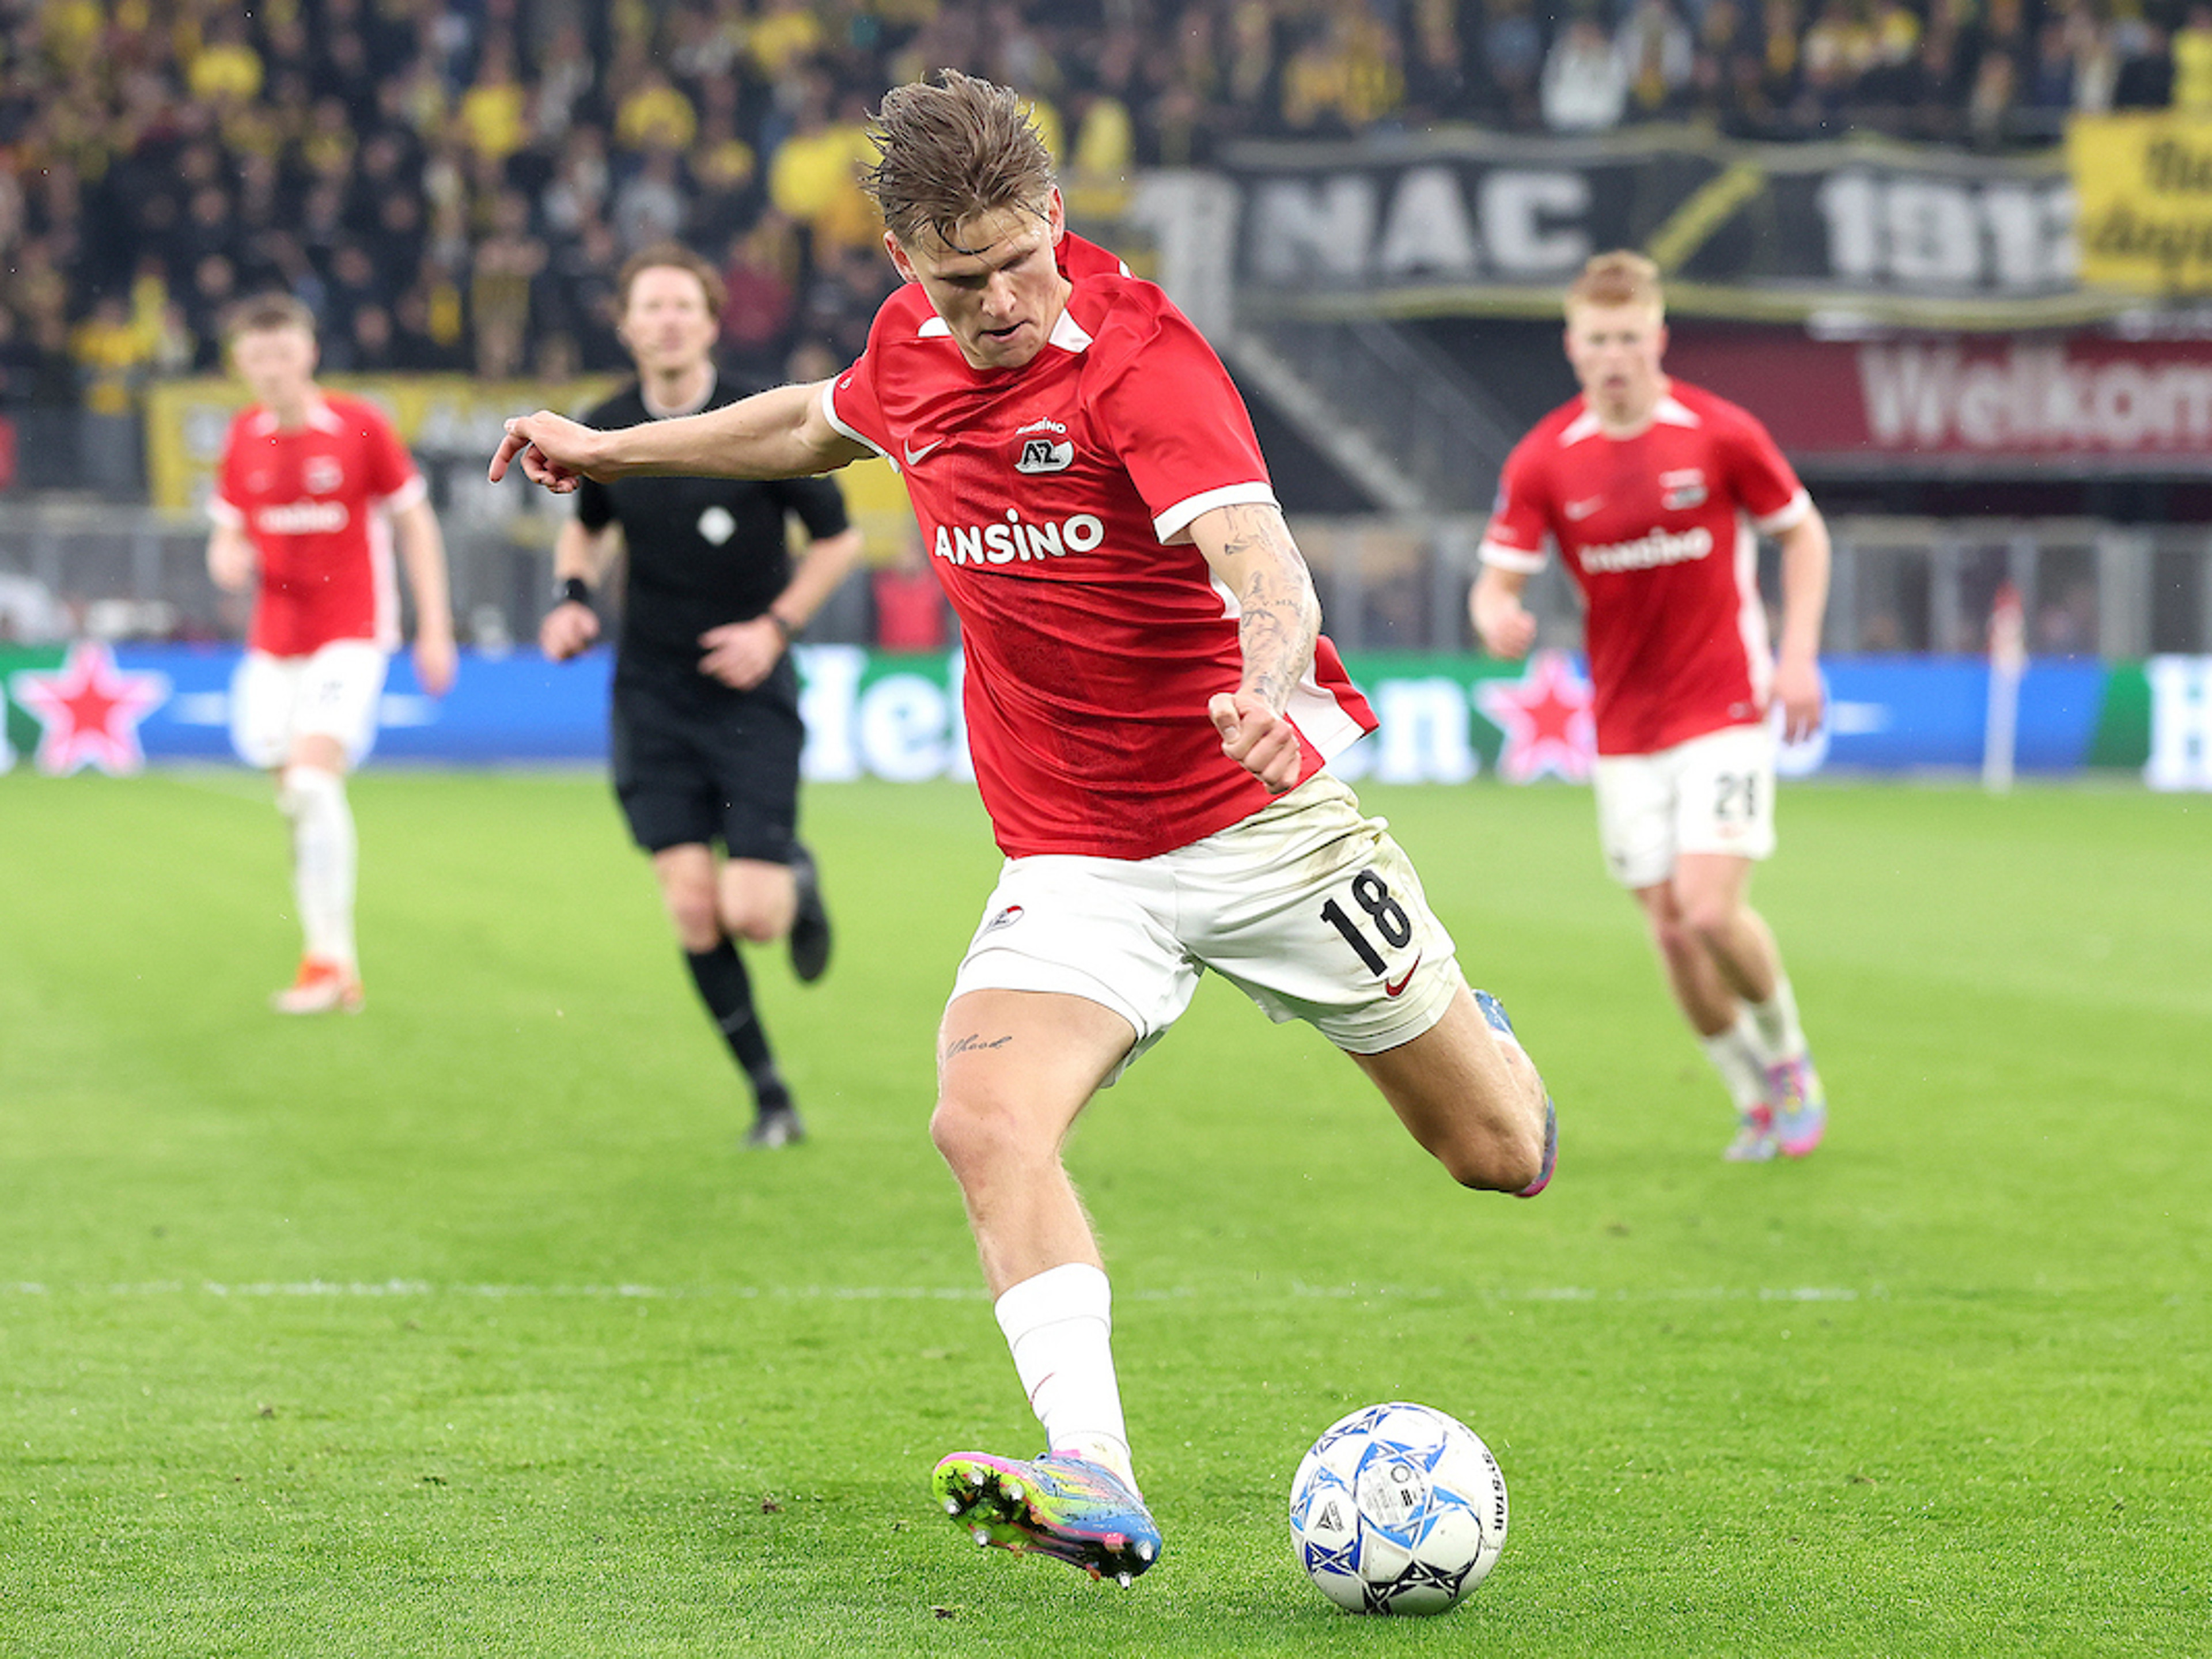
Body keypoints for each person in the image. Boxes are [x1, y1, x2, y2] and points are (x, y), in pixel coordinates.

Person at [492, 70, 1554, 1588]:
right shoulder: (908, 355)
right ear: (905, 269)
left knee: (1499, 1154)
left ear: (1056, 217)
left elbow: (1266, 563)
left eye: (1016, 262)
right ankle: (1097, 1480)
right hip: (1073, 859)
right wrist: (609, 451)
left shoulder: (1145, 365)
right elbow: (811, 426)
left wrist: (1265, 684)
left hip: (1260, 826)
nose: (994, 301)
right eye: (956, 277)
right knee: (980, 1121)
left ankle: (1485, 1042)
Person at [1469, 250, 1830, 1162]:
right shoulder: (1548, 458)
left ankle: (1790, 1059)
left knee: (1710, 911)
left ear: (1658, 338)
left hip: (1725, 708)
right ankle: (1751, 1095)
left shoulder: (1717, 433)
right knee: (1671, 932)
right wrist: (1496, 613)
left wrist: (1797, 658)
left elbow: (1804, 533)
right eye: (1599, 340)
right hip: (1626, 731)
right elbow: (1495, 578)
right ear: (1573, 345)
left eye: (1631, 338)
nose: (1616, 356)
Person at [539, 242, 861, 1150]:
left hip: (750, 695)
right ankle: (770, 1095)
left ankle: (794, 878)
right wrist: (569, 601)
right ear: (629, 325)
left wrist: (774, 629)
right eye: (653, 306)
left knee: (751, 916)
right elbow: (588, 528)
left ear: (712, 322)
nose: (669, 319)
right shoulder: (604, 424)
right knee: (689, 904)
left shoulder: (763, 418)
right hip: (652, 692)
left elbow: (835, 542)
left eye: (686, 304)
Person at [206, 292, 456, 1013]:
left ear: (309, 353)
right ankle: (326, 960)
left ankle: (333, 963)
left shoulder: (360, 426)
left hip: (352, 631)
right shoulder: (243, 436)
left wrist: (435, 625)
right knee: (295, 798)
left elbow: (415, 524)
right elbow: (226, 527)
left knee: (313, 785)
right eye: (258, 358)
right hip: (273, 641)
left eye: (284, 353)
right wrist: (224, 554)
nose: (273, 369)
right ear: (241, 366)